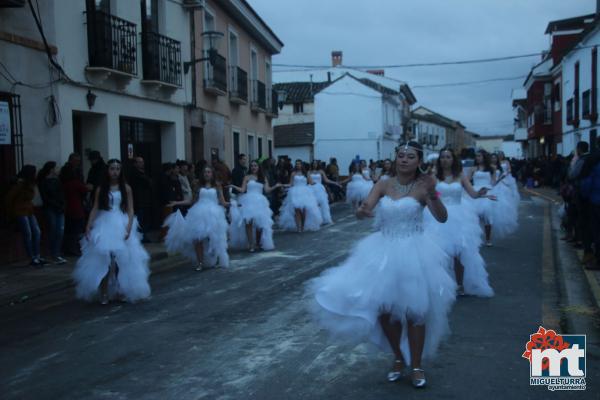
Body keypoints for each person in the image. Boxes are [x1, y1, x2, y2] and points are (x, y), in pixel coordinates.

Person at [307, 141, 455, 389]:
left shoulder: (424, 185)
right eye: (400, 155)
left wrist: (432, 194)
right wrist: (362, 212)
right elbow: (364, 209)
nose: (404, 160)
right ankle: (398, 357)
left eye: (410, 156)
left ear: (418, 161)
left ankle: (417, 365)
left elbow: (442, 217)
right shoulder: (383, 183)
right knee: (386, 312)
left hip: (414, 253)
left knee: (415, 312)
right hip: (383, 251)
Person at [73, 159, 150, 304]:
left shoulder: (126, 188)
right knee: (105, 259)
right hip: (105, 223)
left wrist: (128, 227)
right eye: (112, 168)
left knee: (122, 260)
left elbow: (130, 209)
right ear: (107, 171)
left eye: (117, 169)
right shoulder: (101, 189)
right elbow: (95, 207)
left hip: (121, 223)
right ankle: (104, 292)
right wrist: (88, 225)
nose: (115, 171)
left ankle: (120, 290)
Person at [426, 148, 495, 296]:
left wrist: (480, 193)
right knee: (439, 252)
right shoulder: (434, 176)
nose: (445, 159)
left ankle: (459, 284)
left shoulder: (460, 175)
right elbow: (431, 195)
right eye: (443, 157)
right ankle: (440, 284)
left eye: (448, 157)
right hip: (439, 215)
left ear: (453, 159)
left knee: (459, 252)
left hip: (459, 216)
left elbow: (472, 194)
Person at [163, 166, 230, 270]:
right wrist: (177, 202)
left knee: (213, 237)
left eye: (209, 172)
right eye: (205, 172)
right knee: (197, 239)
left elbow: (222, 202)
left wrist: (233, 204)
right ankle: (200, 263)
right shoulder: (198, 186)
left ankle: (215, 258)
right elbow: (191, 201)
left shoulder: (217, 186)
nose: (207, 174)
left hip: (214, 214)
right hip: (199, 213)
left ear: (212, 174)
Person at [229, 160, 283, 252]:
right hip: (248, 201)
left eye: (255, 166)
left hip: (260, 201)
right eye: (252, 166)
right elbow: (242, 190)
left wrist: (275, 186)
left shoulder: (263, 177)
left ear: (258, 167)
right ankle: (251, 244)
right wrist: (233, 186)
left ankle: (258, 243)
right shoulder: (247, 177)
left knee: (260, 223)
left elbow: (267, 190)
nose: (253, 167)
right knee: (248, 221)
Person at [6, 165, 46, 267]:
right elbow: (9, 198)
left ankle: (36, 255)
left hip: (28, 210)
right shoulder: (20, 184)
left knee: (37, 232)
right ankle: (32, 257)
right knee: (28, 234)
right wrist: (11, 212)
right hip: (20, 211)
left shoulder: (28, 183)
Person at [278, 159, 322, 232]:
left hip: (304, 192)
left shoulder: (306, 173)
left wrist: (318, 185)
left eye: (299, 164)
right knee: (297, 210)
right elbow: (291, 184)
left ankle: (303, 225)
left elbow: (311, 182)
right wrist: (283, 185)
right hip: (295, 192)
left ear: (302, 165)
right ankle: (298, 227)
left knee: (304, 211)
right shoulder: (293, 173)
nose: (298, 165)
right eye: (297, 164)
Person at [37, 161, 67, 264]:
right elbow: (45, 197)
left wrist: (62, 205)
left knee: (60, 231)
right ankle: (51, 254)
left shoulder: (57, 180)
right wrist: (56, 204)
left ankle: (57, 253)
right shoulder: (43, 182)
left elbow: (62, 194)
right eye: (56, 168)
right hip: (50, 208)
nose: (58, 170)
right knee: (53, 230)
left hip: (60, 209)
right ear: (51, 169)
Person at [129, 156, 154, 243]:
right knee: (139, 220)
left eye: (142, 162)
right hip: (139, 201)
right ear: (135, 164)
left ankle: (144, 235)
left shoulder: (144, 173)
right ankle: (140, 236)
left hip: (145, 200)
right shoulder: (134, 174)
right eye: (139, 162)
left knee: (145, 220)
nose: (141, 164)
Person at [308, 160, 341, 224]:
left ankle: (323, 218)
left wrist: (335, 183)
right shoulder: (309, 172)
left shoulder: (321, 171)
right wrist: (312, 183)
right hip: (311, 188)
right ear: (311, 164)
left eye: (316, 164)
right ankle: (315, 219)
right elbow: (309, 181)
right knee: (313, 204)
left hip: (319, 189)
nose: (315, 165)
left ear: (318, 164)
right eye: (313, 163)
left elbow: (326, 180)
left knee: (322, 204)